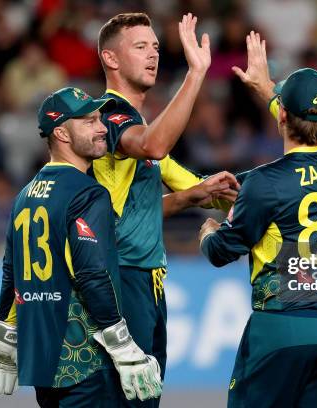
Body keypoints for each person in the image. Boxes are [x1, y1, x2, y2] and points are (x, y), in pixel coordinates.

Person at [0, 87, 164, 406]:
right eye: (89, 121)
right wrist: (121, 344)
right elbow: (93, 274)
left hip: (44, 361)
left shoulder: (25, 194)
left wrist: (3, 329)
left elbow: (12, 271)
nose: (103, 128)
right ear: (62, 133)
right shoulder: (88, 193)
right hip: (85, 363)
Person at [200, 34, 317, 405]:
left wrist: (208, 230)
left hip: (280, 327)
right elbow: (305, 126)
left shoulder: (264, 182)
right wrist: (266, 88)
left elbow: (222, 251)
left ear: (282, 115)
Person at [94, 12, 239, 407]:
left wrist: (207, 192)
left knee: (145, 398)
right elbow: (154, 147)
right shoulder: (107, 114)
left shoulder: (138, 124)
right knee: (127, 398)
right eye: (140, 46)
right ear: (111, 59)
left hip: (148, 280)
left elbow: (185, 184)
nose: (152, 54)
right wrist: (195, 74)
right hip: (120, 277)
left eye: (156, 46)